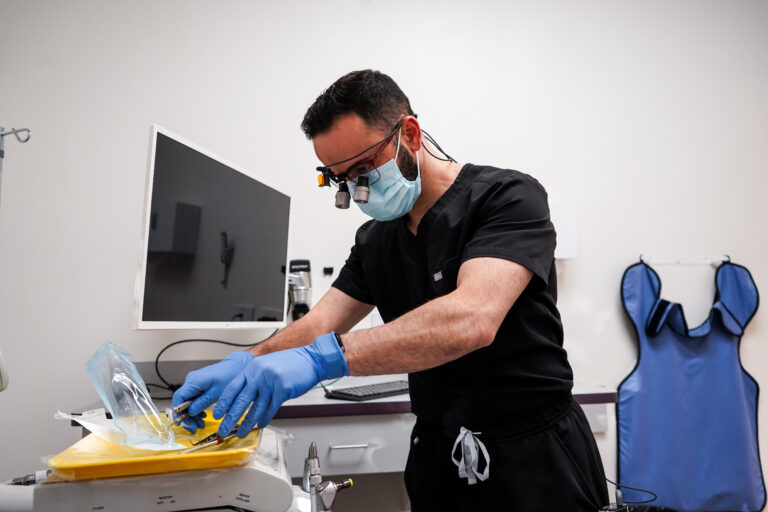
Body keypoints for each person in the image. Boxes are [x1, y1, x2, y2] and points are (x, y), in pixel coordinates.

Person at [172, 70, 609, 511]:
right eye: (339, 179)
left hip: (533, 455)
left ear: (410, 135)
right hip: (437, 452)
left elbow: (471, 320)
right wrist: (248, 361)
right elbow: (321, 322)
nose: (357, 190)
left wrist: (321, 359)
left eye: (363, 169)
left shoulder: (506, 198)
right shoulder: (376, 240)